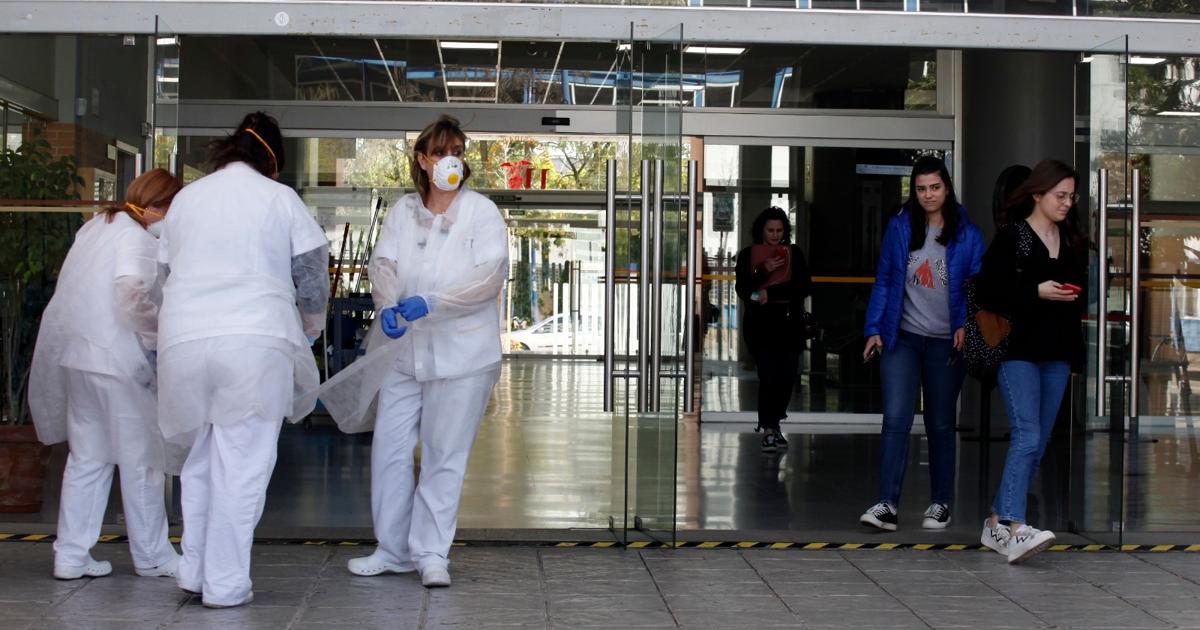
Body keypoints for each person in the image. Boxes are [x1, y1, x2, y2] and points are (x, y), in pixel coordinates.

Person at [155, 112, 329, 607]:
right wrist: (310, 328)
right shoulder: (279, 198)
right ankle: (226, 583)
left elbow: (161, 275)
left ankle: (193, 568)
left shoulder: (187, 198)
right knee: (243, 464)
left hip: (184, 343)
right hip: (253, 343)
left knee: (202, 460)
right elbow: (312, 274)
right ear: (272, 159)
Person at [330, 115, 508, 587]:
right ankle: (391, 549)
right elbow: (383, 264)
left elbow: (488, 280)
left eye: (459, 152)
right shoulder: (403, 210)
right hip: (404, 352)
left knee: (443, 452)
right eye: (442, 152)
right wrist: (388, 303)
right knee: (388, 449)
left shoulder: (481, 212)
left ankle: (431, 553)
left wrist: (431, 302)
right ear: (422, 160)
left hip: (462, 357)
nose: (452, 161)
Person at [28, 168, 184, 580]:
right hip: (119, 363)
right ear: (158, 207)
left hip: (79, 357)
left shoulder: (98, 225)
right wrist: (158, 334)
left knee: (88, 458)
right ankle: (152, 556)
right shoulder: (135, 237)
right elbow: (131, 292)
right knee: (143, 461)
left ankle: (71, 555)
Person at [859, 156, 984, 532]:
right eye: (921, 188)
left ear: (946, 188)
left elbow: (977, 288)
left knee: (940, 423)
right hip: (903, 338)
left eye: (935, 187)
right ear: (913, 191)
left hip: (947, 343)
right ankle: (886, 504)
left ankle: (940, 503)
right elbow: (884, 280)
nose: (928, 195)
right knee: (896, 418)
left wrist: (967, 325)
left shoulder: (967, 234)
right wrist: (874, 327)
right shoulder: (900, 227)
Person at [977, 159, 1085, 564]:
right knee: (1027, 433)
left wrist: (1076, 355)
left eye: (1072, 196)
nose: (1067, 203)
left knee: (1036, 444)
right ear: (1037, 194)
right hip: (1018, 351)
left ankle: (993, 523)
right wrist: (1034, 292)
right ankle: (1016, 527)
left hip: (1056, 353)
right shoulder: (1013, 237)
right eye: (1060, 195)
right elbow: (988, 291)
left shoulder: (1069, 238)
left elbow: (1078, 297)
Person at [734, 207, 813, 452]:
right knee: (768, 376)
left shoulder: (795, 254)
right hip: (761, 326)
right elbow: (744, 290)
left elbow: (803, 286)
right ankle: (768, 428)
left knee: (787, 377)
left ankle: (775, 424)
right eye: (771, 230)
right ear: (761, 230)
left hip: (789, 325)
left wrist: (773, 292)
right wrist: (763, 271)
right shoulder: (748, 255)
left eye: (779, 230)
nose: (775, 235)